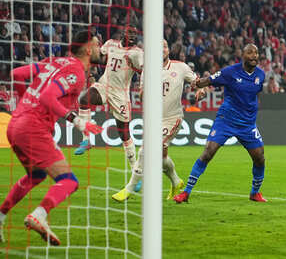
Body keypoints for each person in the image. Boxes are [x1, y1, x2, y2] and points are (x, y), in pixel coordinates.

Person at [0, 31, 102, 245]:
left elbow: (17, 74)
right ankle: (39, 215)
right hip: (33, 128)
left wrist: (24, 103)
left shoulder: (53, 62)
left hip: (16, 123)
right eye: (98, 45)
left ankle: (0, 216)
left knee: (35, 175)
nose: (101, 50)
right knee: (68, 181)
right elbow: (48, 97)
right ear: (89, 49)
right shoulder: (76, 71)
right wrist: (78, 121)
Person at [112, 40, 205, 202]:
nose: (161, 49)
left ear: (169, 50)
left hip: (172, 118)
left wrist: (201, 90)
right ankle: (176, 181)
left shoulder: (180, 67)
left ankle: (130, 187)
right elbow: (142, 96)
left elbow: (197, 82)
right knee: (161, 157)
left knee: (144, 150)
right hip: (153, 120)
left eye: (164, 46)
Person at [174, 44, 267, 203]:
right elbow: (208, 80)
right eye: (250, 52)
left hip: (248, 125)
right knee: (208, 152)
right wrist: (200, 88)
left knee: (260, 158)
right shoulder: (230, 72)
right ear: (242, 56)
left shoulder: (261, 75)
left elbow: (253, 95)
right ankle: (186, 192)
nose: (254, 56)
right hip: (226, 120)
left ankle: (254, 193)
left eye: (256, 53)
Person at [75, 28, 143, 189]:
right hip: (104, 86)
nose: (132, 36)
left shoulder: (137, 53)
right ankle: (86, 140)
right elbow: (97, 57)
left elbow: (144, 70)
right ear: (124, 34)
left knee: (124, 134)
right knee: (84, 99)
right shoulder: (111, 44)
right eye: (130, 33)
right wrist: (91, 73)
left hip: (121, 95)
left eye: (135, 34)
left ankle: (136, 174)